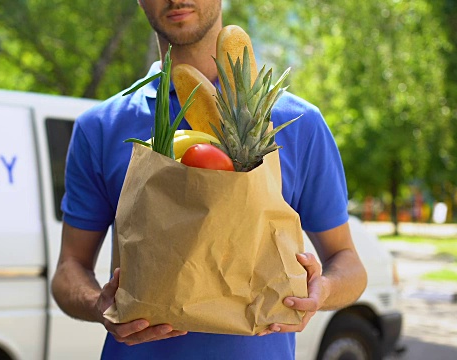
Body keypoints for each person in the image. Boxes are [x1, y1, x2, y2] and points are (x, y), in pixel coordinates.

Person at [51, 0, 368, 359]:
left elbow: (349, 263)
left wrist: (321, 290)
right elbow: (68, 270)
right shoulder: (100, 127)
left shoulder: (297, 123)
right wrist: (99, 305)